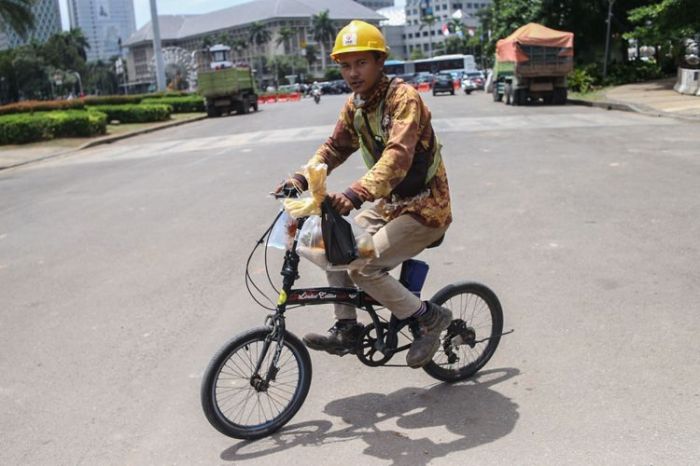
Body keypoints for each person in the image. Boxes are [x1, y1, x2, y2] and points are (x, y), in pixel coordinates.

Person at [274, 20, 453, 368]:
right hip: (390, 206)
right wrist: (301, 178)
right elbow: (334, 148)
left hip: (425, 208)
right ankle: (347, 329)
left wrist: (356, 193)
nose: (352, 73)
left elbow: (398, 156)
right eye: (345, 65)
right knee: (332, 245)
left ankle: (430, 318)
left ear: (379, 61)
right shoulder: (355, 105)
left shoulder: (404, 99)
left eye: (361, 63)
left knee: (364, 268)